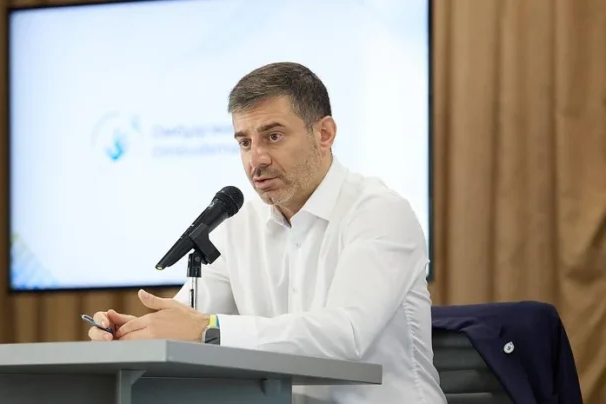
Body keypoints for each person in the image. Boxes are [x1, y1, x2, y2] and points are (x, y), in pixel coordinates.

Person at [88, 62, 446, 403]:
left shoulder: (379, 212)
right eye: (244, 142)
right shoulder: (238, 224)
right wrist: (137, 334)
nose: (256, 159)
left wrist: (207, 329)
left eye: (273, 136)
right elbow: (189, 322)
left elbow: (346, 336)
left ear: (324, 134)